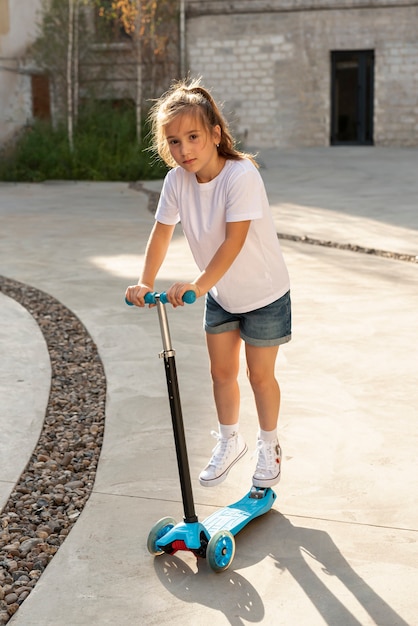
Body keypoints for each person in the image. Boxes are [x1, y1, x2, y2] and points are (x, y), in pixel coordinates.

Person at [125, 78, 291, 489]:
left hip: (264, 293)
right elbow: (162, 233)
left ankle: (268, 444)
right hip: (220, 293)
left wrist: (197, 285)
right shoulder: (176, 182)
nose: (184, 150)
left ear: (215, 134)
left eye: (193, 137)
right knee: (221, 373)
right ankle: (229, 441)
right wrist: (144, 281)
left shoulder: (241, 175)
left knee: (258, 377)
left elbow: (233, 242)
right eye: (174, 141)